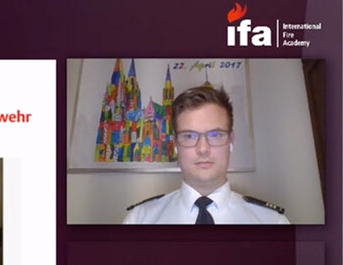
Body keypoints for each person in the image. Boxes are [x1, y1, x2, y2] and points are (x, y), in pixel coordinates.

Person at [123, 86, 289, 225]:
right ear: (175, 145)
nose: (203, 149)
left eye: (215, 135)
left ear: (231, 140)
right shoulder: (139, 220)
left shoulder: (272, 221)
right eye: (189, 136)